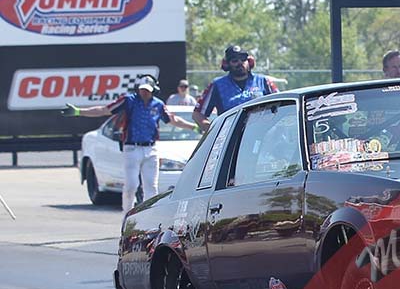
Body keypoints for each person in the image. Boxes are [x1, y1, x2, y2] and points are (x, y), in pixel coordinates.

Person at [62, 75, 197, 212]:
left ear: (154, 90)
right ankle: (127, 214)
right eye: (142, 89)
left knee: (151, 187)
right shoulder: (128, 101)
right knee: (131, 185)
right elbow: (105, 110)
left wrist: (193, 127)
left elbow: (173, 120)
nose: (144, 93)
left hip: (151, 149)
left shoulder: (158, 104)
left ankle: (149, 216)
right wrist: (79, 111)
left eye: (147, 90)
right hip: (132, 148)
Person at [193, 45, 279, 132]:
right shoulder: (217, 85)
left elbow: (281, 104)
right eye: (235, 60)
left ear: (249, 61)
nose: (240, 63)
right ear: (227, 64)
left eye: (243, 60)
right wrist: (214, 132)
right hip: (233, 136)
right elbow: (197, 114)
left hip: (262, 134)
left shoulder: (263, 81)